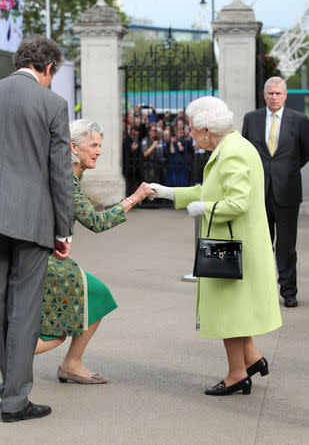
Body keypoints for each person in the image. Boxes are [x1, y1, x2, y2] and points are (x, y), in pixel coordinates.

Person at [148, 96, 282, 396]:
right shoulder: (233, 146)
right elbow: (210, 190)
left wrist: (203, 207)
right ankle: (252, 359)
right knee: (236, 309)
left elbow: (237, 202)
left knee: (228, 314)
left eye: (192, 130)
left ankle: (237, 375)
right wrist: (170, 193)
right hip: (238, 244)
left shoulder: (231, 152)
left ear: (206, 130)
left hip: (232, 246)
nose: (190, 135)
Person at [36, 119, 155, 384]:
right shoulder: (66, 178)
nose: (99, 151)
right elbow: (96, 221)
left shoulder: (63, 173)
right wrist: (135, 198)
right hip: (45, 258)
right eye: (93, 145)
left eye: (100, 145)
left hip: (42, 253)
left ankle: (72, 363)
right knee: (56, 333)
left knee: (91, 299)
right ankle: (68, 363)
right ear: (73, 147)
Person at [0, 35, 74, 422]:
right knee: (24, 309)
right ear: (48, 69)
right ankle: (14, 400)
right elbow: (60, 173)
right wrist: (64, 231)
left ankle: (5, 386)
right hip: (31, 219)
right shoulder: (53, 104)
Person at [242, 76, 309, 308]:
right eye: (270, 93)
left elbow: (305, 153)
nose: (274, 97)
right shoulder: (251, 119)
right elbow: (245, 151)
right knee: (259, 244)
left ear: (285, 95)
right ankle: (260, 292)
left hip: (287, 192)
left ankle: (289, 292)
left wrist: (286, 171)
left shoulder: (300, 120)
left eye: (278, 93)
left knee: (286, 247)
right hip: (258, 192)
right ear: (264, 95)